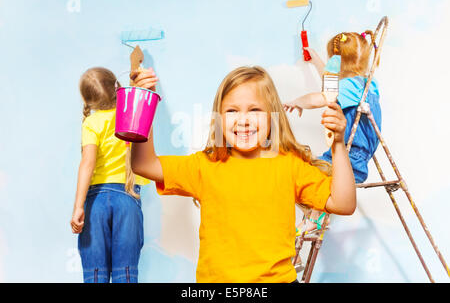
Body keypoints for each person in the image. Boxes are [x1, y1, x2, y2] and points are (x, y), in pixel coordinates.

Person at [131, 65, 356, 283]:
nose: (243, 120)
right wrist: (144, 102)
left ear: (272, 116)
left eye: (255, 110)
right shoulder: (205, 165)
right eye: (232, 111)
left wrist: (337, 143)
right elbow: (144, 164)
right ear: (218, 118)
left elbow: (343, 203)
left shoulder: (289, 165)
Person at [284, 31, 382, 237]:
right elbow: (330, 81)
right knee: (306, 175)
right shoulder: (366, 85)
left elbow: (322, 97)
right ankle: (313, 216)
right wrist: (316, 60)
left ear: (336, 62)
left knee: (307, 176)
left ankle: (313, 218)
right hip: (355, 156)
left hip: (348, 159)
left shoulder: (346, 87)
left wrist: (298, 101)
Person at [70, 67, 153, 283]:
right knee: (125, 273)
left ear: (88, 100)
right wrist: (136, 84)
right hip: (128, 196)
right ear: (117, 87)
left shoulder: (91, 123)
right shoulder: (130, 114)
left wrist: (78, 207)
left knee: (95, 273)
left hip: (95, 202)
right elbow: (144, 104)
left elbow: (87, 164)